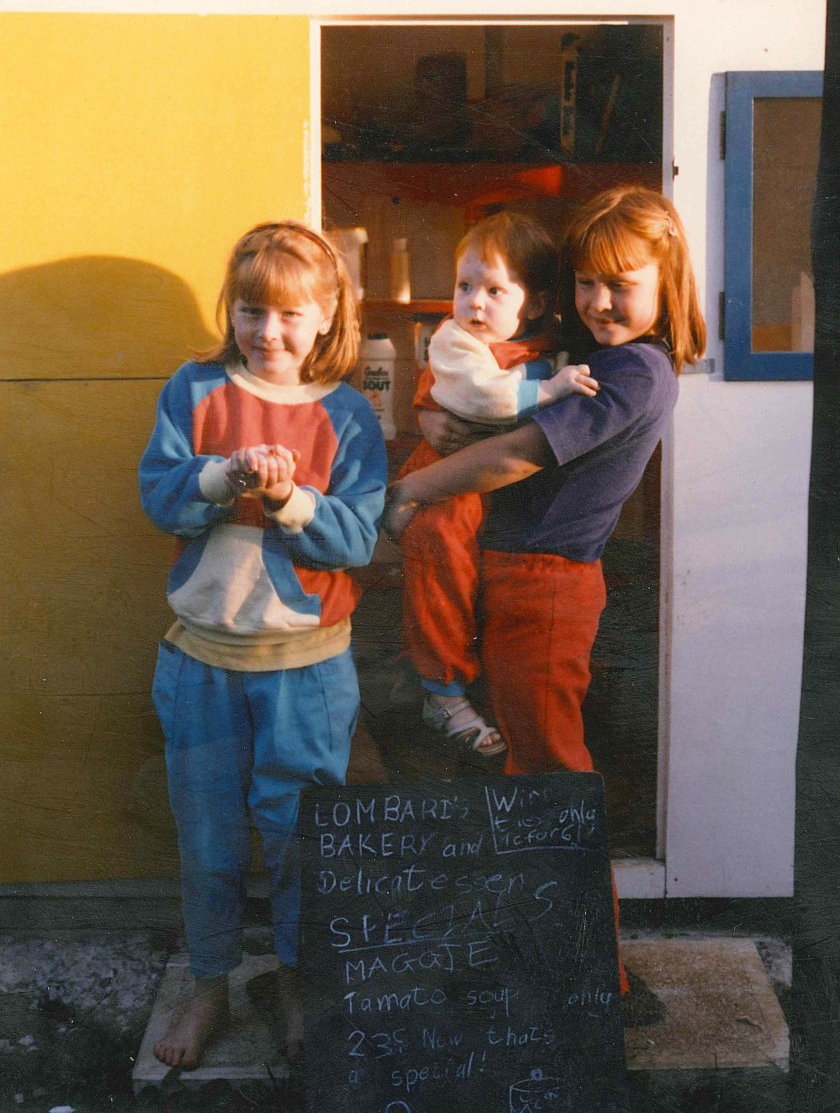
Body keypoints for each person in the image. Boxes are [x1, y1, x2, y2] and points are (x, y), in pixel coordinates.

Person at [385, 188, 706, 994]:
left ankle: (592, 976)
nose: (598, 302)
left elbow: (512, 457)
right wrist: (436, 424)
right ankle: (528, 944)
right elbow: (467, 408)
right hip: (504, 572)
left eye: (620, 284)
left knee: (548, 771)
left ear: (667, 285)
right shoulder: (580, 354)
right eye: (585, 283)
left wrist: (412, 494)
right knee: (518, 769)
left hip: (546, 585)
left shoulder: (634, 368)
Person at [139, 221, 387, 1069]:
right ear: (231, 312)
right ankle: (209, 983)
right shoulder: (196, 387)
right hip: (201, 662)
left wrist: (289, 501)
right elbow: (160, 495)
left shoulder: (348, 414)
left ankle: (294, 979)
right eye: (251, 310)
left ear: (326, 317)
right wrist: (222, 477)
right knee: (207, 839)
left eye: (289, 314)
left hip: (307, 673)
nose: (268, 331)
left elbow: (356, 539)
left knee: (297, 841)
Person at [397, 211, 599, 756]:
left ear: (532, 304)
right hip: (448, 480)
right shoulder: (454, 340)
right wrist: (551, 392)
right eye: (464, 287)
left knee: (490, 594)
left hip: (506, 491)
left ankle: (476, 684)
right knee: (439, 564)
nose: (474, 303)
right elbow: (482, 396)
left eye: (493, 290)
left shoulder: (553, 342)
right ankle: (441, 689)